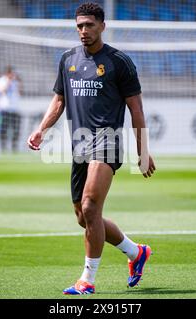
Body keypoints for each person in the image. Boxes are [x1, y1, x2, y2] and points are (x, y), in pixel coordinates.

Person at [27, 2, 156, 295]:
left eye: (89, 25)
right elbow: (59, 101)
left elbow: (136, 110)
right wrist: (41, 129)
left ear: (102, 26)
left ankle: (87, 281)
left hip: (108, 141)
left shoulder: (119, 62)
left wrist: (143, 150)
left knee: (90, 206)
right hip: (79, 145)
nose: (83, 31)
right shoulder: (67, 59)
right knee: (84, 217)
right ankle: (137, 253)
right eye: (79, 26)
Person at [0, 66, 23, 153]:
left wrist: (19, 82)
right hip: (4, 110)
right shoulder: (0, 81)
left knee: (16, 130)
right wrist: (9, 82)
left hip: (14, 110)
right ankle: (3, 149)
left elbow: (20, 93)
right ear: (7, 73)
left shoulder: (16, 82)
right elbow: (3, 91)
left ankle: (14, 149)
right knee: (3, 130)